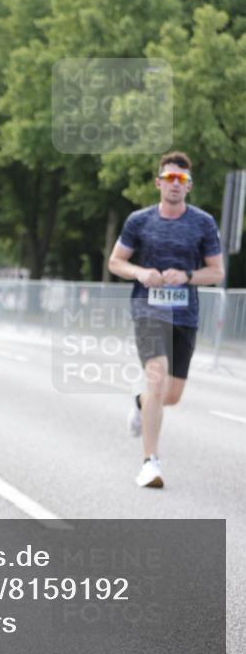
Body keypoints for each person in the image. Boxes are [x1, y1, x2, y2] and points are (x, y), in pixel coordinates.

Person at [108, 152, 224, 489]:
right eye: (169, 178)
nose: (175, 185)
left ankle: (140, 403)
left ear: (189, 187)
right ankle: (150, 463)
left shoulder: (203, 223)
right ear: (158, 182)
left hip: (184, 314)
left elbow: (216, 272)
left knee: (170, 395)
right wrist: (141, 272)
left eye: (182, 180)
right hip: (148, 309)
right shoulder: (139, 221)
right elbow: (116, 262)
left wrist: (187, 275)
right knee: (156, 380)